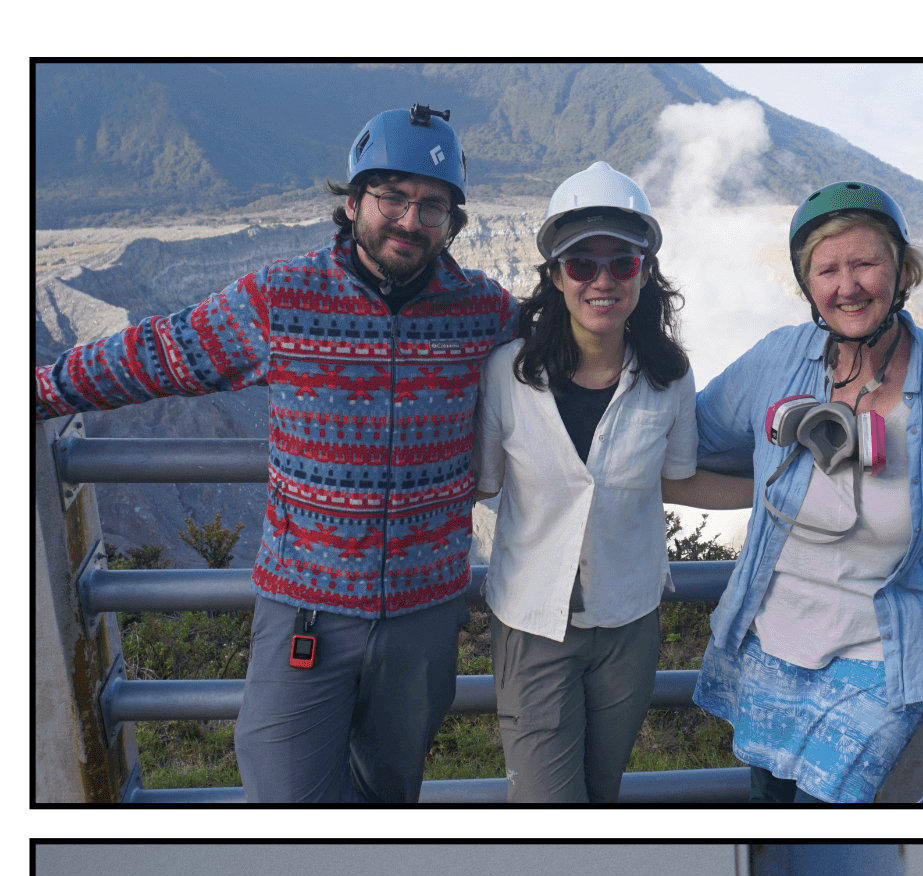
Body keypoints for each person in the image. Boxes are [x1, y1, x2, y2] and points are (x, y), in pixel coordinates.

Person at [35, 106, 519, 803]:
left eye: (432, 207)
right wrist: (43, 389)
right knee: (282, 794)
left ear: (452, 222)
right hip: (309, 611)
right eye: (393, 198)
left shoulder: (480, 310)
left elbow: (564, 354)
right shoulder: (281, 300)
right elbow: (158, 355)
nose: (411, 221)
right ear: (352, 202)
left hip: (424, 614)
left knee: (392, 797)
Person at [663, 182, 923, 802]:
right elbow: (693, 431)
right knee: (772, 816)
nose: (846, 285)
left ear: (901, 269)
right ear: (808, 287)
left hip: (880, 665)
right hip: (770, 645)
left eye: (865, 263)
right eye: (827, 269)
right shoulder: (780, 359)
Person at [473, 163, 699, 802]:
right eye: (582, 265)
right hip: (531, 620)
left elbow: (676, 479)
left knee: (602, 796)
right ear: (555, 276)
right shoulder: (507, 377)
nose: (603, 281)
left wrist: (788, 482)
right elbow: (481, 483)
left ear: (644, 274)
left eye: (622, 264)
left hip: (629, 620)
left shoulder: (669, 378)